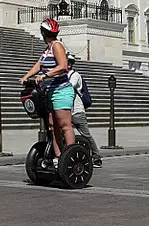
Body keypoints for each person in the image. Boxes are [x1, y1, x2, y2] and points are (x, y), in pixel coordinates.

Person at [19, 19, 75, 163]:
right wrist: (26, 76)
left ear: (44, 33)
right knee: (52, 125)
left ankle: (70, 157)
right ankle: (58, 157)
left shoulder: (57, 46)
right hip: (49, 91)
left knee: (65, 125)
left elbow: (63, 66)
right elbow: (38, 65)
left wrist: (45, 76)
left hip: (61, 91)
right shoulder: (47, 49)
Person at [67, 53, 103, 167]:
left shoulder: (75, 75)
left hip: (77, 111)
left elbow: (70, 86)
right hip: (66, 111)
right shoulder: (62, 75)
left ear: (70, 64)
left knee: (86, 135)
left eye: (68, 62)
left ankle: (97, 157)